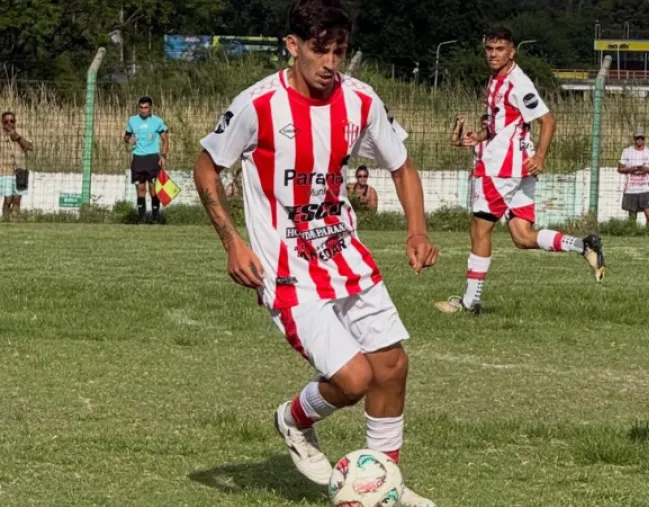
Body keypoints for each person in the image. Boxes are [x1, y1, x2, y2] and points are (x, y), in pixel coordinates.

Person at [193, 1, 438, 505]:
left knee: (391, 367)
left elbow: (402, 165)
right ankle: (294, 419)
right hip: (286, 271)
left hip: (344, 253)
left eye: (339, 51)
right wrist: (233, 242)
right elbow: (205, 168)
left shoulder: (361, 101)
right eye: (319, 50)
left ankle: (381, 486)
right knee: (353, 380)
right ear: (293, 46)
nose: (330, 62)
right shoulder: (258, 104)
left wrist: (417, 230)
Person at [434, 26, 606, 316]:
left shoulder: (518, 82)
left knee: (479, 229)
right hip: (515, 167)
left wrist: (541, 154)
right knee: (522, 236)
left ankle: (469, 302)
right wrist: (476, 137)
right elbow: (500, 125)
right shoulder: (494, 81)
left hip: (503, 170)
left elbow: (548, 121)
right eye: (489, 48)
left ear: (512, 52)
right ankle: (584, 245)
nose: (493, 54)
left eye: (499, 49)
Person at [125, 96, 169, 223]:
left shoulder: (157, 121)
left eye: (146, 108)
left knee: (153, 189)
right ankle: (141, 219)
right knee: (140, 189)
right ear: (138, 107)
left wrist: (164, 156)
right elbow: (126, 136)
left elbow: (165, 140)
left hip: (153, 158)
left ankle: (155, 218)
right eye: (141, 107)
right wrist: (129, 139)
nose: (143, 110)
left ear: (150, 108)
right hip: (138, 158)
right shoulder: (132, 120)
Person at [617, 126, 649, 227]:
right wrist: (630, 169)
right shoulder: (627, 151)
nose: (640, 140)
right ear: (634, 139)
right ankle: (632, 233)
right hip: (631, 188)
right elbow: (620, 169)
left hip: (645, 188)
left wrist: (645, 169)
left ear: (644, 139)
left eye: (642, 138)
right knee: (632, 215)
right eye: (637, 138)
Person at [0, 111, 33, 219]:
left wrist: (18, 138)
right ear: (2, 122)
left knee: (17, 200)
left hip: (21, 171)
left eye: (12, 121)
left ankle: (15, 221)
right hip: (5, 172)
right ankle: (5, 219)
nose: (9, 124)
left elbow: (30, 147)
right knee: (8, 199)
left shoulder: (22, 131)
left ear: (15, 121)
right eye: (6, 122)